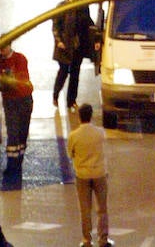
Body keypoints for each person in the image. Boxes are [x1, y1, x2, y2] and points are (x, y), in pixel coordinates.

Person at [66, 103, 112, 247]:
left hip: (82, 175)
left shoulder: (74, 135)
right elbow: (105, 149)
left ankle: (87, 240)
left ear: (80, 117)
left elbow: (70, 154)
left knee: (85, 209)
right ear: (91, 116)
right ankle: (103, 239)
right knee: (102, 208)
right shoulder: (99, 132)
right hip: (99, 173)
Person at [52, 0, 98, 109]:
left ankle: (71, 100)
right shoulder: (63, 6)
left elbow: (88, 21)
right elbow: (56, 26)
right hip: (65, 46)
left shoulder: (83, 7)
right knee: (63, 72)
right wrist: (59, 41)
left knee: (75, 74)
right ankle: (56, 94)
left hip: (78, 47)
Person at [0, 42, 33, 176]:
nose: (2, 51)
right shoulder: (0, 63)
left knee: (22, 132)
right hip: (10, 101)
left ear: (9, 46)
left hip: (24, 99)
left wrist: (2, 78)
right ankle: (12, 165)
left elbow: (15, 82)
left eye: (3, 47)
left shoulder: (19, 59)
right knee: (13, 133)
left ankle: (18, 161)